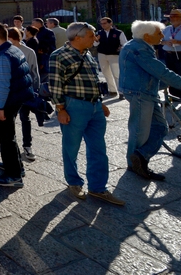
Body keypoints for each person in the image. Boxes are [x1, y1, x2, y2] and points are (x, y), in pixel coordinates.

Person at [49, 23, 125, 205]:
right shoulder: (58, 55)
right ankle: (74, 182)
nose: (95, 38)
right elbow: (55, 84)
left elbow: (93, 80)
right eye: (91, 36)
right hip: (74, 106)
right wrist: (60, 109)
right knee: (71, 148)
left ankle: (98, 187)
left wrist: (100, 102)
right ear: (78, 37)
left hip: (94, 107)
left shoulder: (88, 54)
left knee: (99, 149)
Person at [119, 20, 181, 181]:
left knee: (161, 128)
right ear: (147, 36)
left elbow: (156, 73)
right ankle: (135, 163)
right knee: (139, 131)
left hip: (144, 92)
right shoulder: (139, 49)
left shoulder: (137, 45)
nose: (163, 35)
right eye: (159, 33)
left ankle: (139, 157)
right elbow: (162, 72)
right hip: (140, 93)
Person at [0, 24, 34, 187]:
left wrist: (0, 108)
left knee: (6, 138)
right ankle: (16, 166)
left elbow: (4, 85)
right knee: (9, 136)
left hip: (7, 102)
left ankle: (13, 175)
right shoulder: (15, 49)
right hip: (16, 98)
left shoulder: (3, 56)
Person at [8, 27, 41, 162]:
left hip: (21, 90)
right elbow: (35, 73)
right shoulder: (27, 51)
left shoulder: (26, 51)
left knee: (23, 118)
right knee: (18, 119)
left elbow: (34, 72)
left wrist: (35, 89)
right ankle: (19, 145)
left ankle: (26, 145)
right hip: (17, 90)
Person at [95, 17, 127, 97]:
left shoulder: (118, 33)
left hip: (114, 55)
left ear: (110, 23)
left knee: (116, 74)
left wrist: (120, 48)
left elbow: (125, 44)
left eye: (105, 23)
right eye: (101, 23)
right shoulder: (99, 33)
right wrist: (96, 40)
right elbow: (95, 45)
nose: (103, 25)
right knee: (106, 73)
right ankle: (112, 90)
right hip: (102, 54)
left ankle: (121, 92)